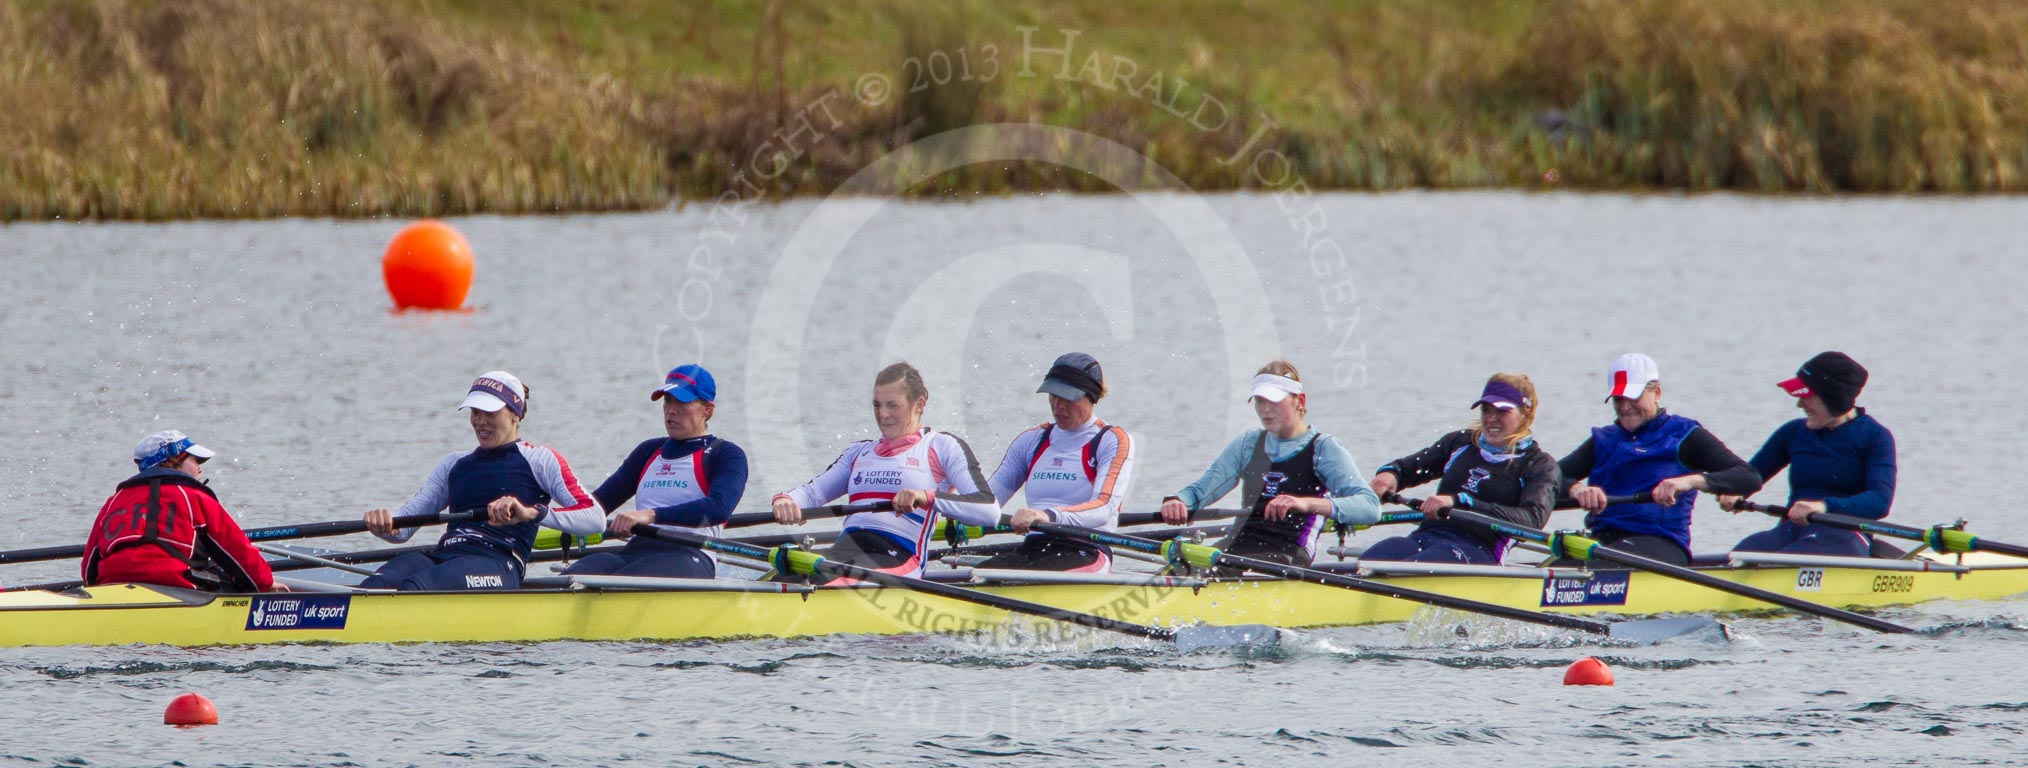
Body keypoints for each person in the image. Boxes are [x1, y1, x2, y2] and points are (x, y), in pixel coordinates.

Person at [361, 371, 605, 590]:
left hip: (498, 562)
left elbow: (595, 518)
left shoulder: (540, 460)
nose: (480, 421)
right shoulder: (453, 463)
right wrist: (386, 523)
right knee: (378, 583)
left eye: (490, 413)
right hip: (447, 555)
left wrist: (532, 513)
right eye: (475, 412)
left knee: (416, 586)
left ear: (515, 414)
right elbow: (404, 527)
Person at [771, 362, 1000, 581]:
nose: (882, 414)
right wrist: (786, 500)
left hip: (898, 556)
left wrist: (925, 497)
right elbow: (812, 494)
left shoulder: (941, 447)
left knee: (824, 581)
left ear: (919, 405)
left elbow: (989, 511)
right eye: (877, 405)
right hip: (845, 549)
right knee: (783, 577)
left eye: (893, 405)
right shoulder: (858, 453)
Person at [1158, 360, 1381, 568]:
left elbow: (1370, 507)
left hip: (1287, 554)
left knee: (1215, 573)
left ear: (1300, 401)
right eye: (1260, 400)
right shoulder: (1247, 444)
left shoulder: (1323, 448)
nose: (1265, 409)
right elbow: (1201, 491)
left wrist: (1304, 504)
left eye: (1273, 401)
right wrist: (1178, 501)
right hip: (1236, 547)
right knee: (1180, 567)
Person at [1558, 354, 1763, 565]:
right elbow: (1548, 477)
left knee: (1591, 569)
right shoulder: (1603, 440)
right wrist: (1576, 489)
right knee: (1555, 569)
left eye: (1633, 398)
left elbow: (1749, 477)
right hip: (1602, 541)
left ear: (1656, 393)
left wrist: (1690, 481)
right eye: (1619, 399)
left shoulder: (1684, 435)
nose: (1625, 407)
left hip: (1660, 543)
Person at [563, 365, 748, 578]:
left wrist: (650, 515)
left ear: (707, 410)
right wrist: (542, 514)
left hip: (690, 553)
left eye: (682, 402)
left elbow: (719, 508)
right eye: (668, 401)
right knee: (576, 575)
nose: (671, 410)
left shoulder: (725, 454)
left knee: (619, 583)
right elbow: (597, 505)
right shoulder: (648, 451)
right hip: (637, 550)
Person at [1364, 373, 1558, 564]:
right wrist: (1391, 475)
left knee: (1410, 568)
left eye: (1502, 411)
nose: (1491, 418)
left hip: (1478, 549)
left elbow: (1532, 520)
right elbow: (1410, 468)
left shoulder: (1539, 465)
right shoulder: (1460, 443)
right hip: (1426, 535)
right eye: (1486, 410)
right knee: (1371, 559)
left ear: (1525, 414)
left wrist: (1463, 502)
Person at [1716, 352, 1894, 557]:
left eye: (1806, 396)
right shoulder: (1793, 432)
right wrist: (1735, 490)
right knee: (1740, 554)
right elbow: (1750, 476)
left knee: (1786, 558)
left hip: (1844, 534)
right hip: (1792, 530)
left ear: (1833, 398)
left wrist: (1823, 506)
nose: (1799, 404)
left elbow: (1880, 500)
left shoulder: (1875, 437)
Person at [982, 353, 1135, 573]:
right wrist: (942, 503)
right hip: (1035, 546)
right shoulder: (1032, 440)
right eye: (1053, 395)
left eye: (1068, 398)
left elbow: (1104, 507)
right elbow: (987, 502)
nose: (1058, 405)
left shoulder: (1111, 440)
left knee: (1023, 579)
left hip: (1087, 549)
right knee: (983, 575)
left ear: (1091, 397)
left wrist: (1047, 515)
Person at [82, 431, 281, 592]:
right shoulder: (194, 497)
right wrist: (264, 584)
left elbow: (89, 567)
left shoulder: (115, 500)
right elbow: (238, 550)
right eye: (195, 461)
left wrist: (95, 593)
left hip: (112, 586)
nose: (199, 469)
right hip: (175, 585)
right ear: (174, 460)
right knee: (228, 578)